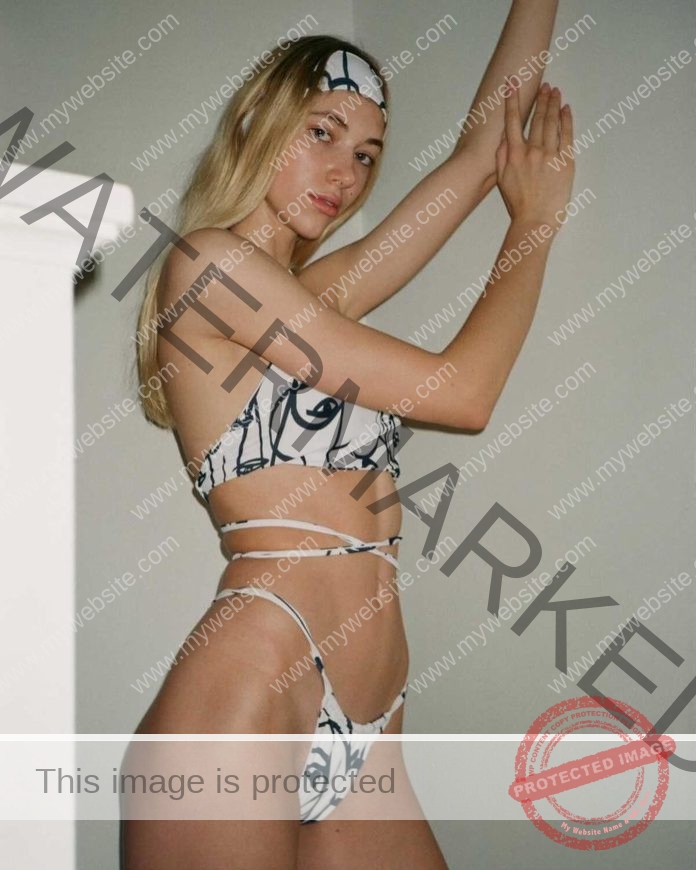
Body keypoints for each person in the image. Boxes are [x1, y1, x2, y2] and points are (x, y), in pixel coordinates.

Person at [123, 10, 574, 868]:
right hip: (246, 700)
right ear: (256, 124)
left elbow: (481, 157)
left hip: (369, 734)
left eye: (367, 153)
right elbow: (464, 395)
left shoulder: (307, 299)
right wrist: (533, 228)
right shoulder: (207, 269)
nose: (347, 172)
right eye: (323, 132)